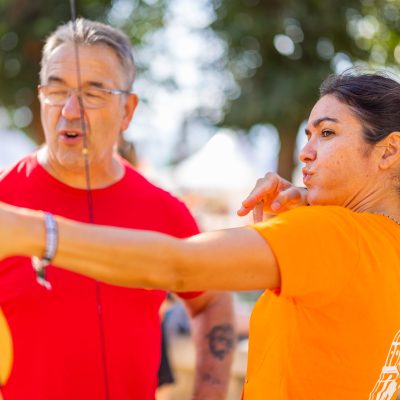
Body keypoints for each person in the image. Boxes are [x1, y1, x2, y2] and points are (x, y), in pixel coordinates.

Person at [1, 70, 400, 399]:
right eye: (308, 134)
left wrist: (35, 230)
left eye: (327, 134)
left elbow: (180, 265)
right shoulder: (373, 239)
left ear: (388, 151)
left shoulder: (330, 233)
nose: (305, 152)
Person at [0, 18, 234, 400]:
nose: (70, 111)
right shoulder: (3, 198)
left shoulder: (164, 211)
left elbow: (213, 300)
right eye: (57, 90)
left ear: (127, 109)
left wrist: (209, 394)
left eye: (93, 93)